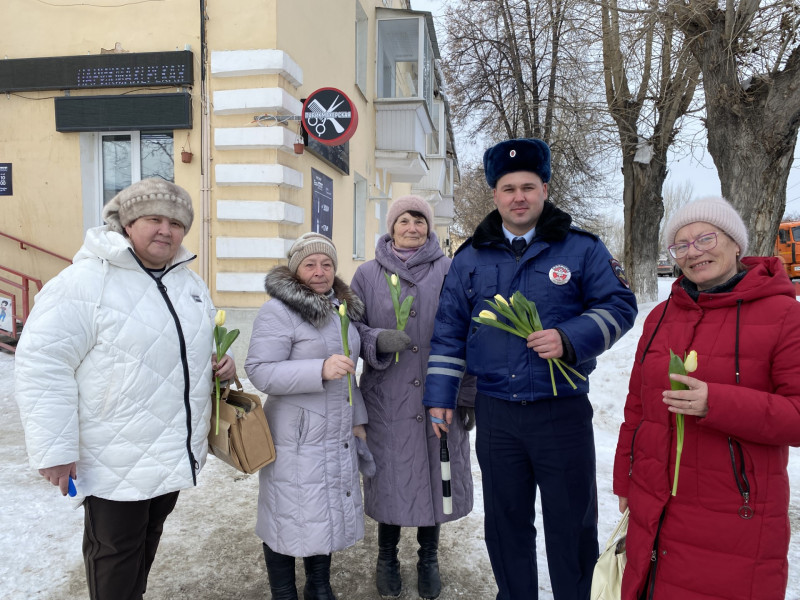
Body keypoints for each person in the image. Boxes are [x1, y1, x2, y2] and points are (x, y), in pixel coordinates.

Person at [422, 138, 638, 600]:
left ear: (544, 189)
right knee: (506, 523)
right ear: (495, 194)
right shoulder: (470, 258)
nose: (518, 197)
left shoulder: (580, 248)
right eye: (508, 188)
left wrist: (569, 338)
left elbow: (619, 305)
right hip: (497, 414)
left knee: (572, 523)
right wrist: (440, 396)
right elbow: (449, 331)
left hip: (561, 410)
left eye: (528, 187)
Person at [14, 177, 236, 600]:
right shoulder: (84, 282)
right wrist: (55, 450)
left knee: (145, 546)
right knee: (115, 559)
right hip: (114, 458)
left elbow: (195, 349)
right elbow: (43, 364)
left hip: (171, 452)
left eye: (176, 223)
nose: (166, 231)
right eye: (154, 219)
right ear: (127, 223)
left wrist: (221, 364)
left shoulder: (189, 284)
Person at [613, 196, 800, 599]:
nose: (693, 252)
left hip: (732, 516)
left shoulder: (785, 316)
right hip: (655, 505)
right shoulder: (661, 316)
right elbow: (637, 408)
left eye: (705, 239)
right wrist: (625, 480)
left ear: (735, 243)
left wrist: (717, 403)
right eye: (681, 245)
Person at [350, 195, 476, 600]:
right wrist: (377, 340)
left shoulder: (450, 270)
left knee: (435, 476)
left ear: (429, 227)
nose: (412, 227)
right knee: (390, 479)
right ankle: (386, 557)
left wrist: (467, 394)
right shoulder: (366, 274)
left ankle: (428, 558)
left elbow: (469, 331)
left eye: (419, 220)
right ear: (391, 227)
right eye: (403, 220)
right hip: (388, 399)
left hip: (439, 395)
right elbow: (351, 328)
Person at [244, 232, 369, 600]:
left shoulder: (340, 309)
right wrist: (319, 369)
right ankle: (283, 592)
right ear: (295, 270)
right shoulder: (279, 311)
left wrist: (357, 419)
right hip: (295, 435)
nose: (320, 271)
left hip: (335, 431)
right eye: (310, 264)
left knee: (324, 511)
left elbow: (348, 375)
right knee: (285, 515)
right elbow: (260, 370)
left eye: (327, 264)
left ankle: (319, 585)